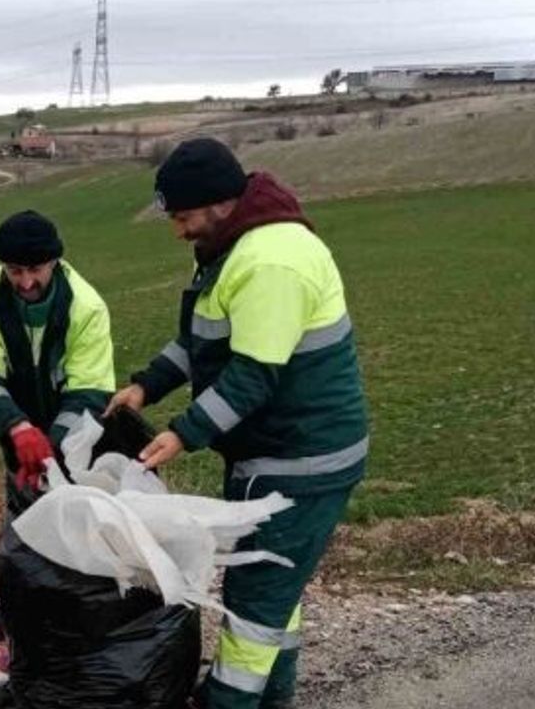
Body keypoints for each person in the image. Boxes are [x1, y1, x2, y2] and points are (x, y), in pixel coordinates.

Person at [107, 138, 368, 709]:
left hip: (299, 462)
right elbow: (203, 343)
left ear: (219, 202)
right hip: (275, 455)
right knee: (276, 589)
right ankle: (275, 697)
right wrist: (146, 384)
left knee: (253, 604)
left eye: (182, 217)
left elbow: (253, 376)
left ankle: (230, 699)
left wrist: (182, 432)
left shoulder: (269, 261)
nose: (178, 230)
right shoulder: (231, 247)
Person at [0, 209, 115, 516]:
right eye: (15, 271)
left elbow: (89, 391)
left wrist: (51, 455)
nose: (26, 282)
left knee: (76, 533)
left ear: (54, 262)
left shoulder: (86, 307)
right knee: (24, 536)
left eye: (35, 269)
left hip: (75, 449)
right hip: (18, 441)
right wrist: (17, 427)